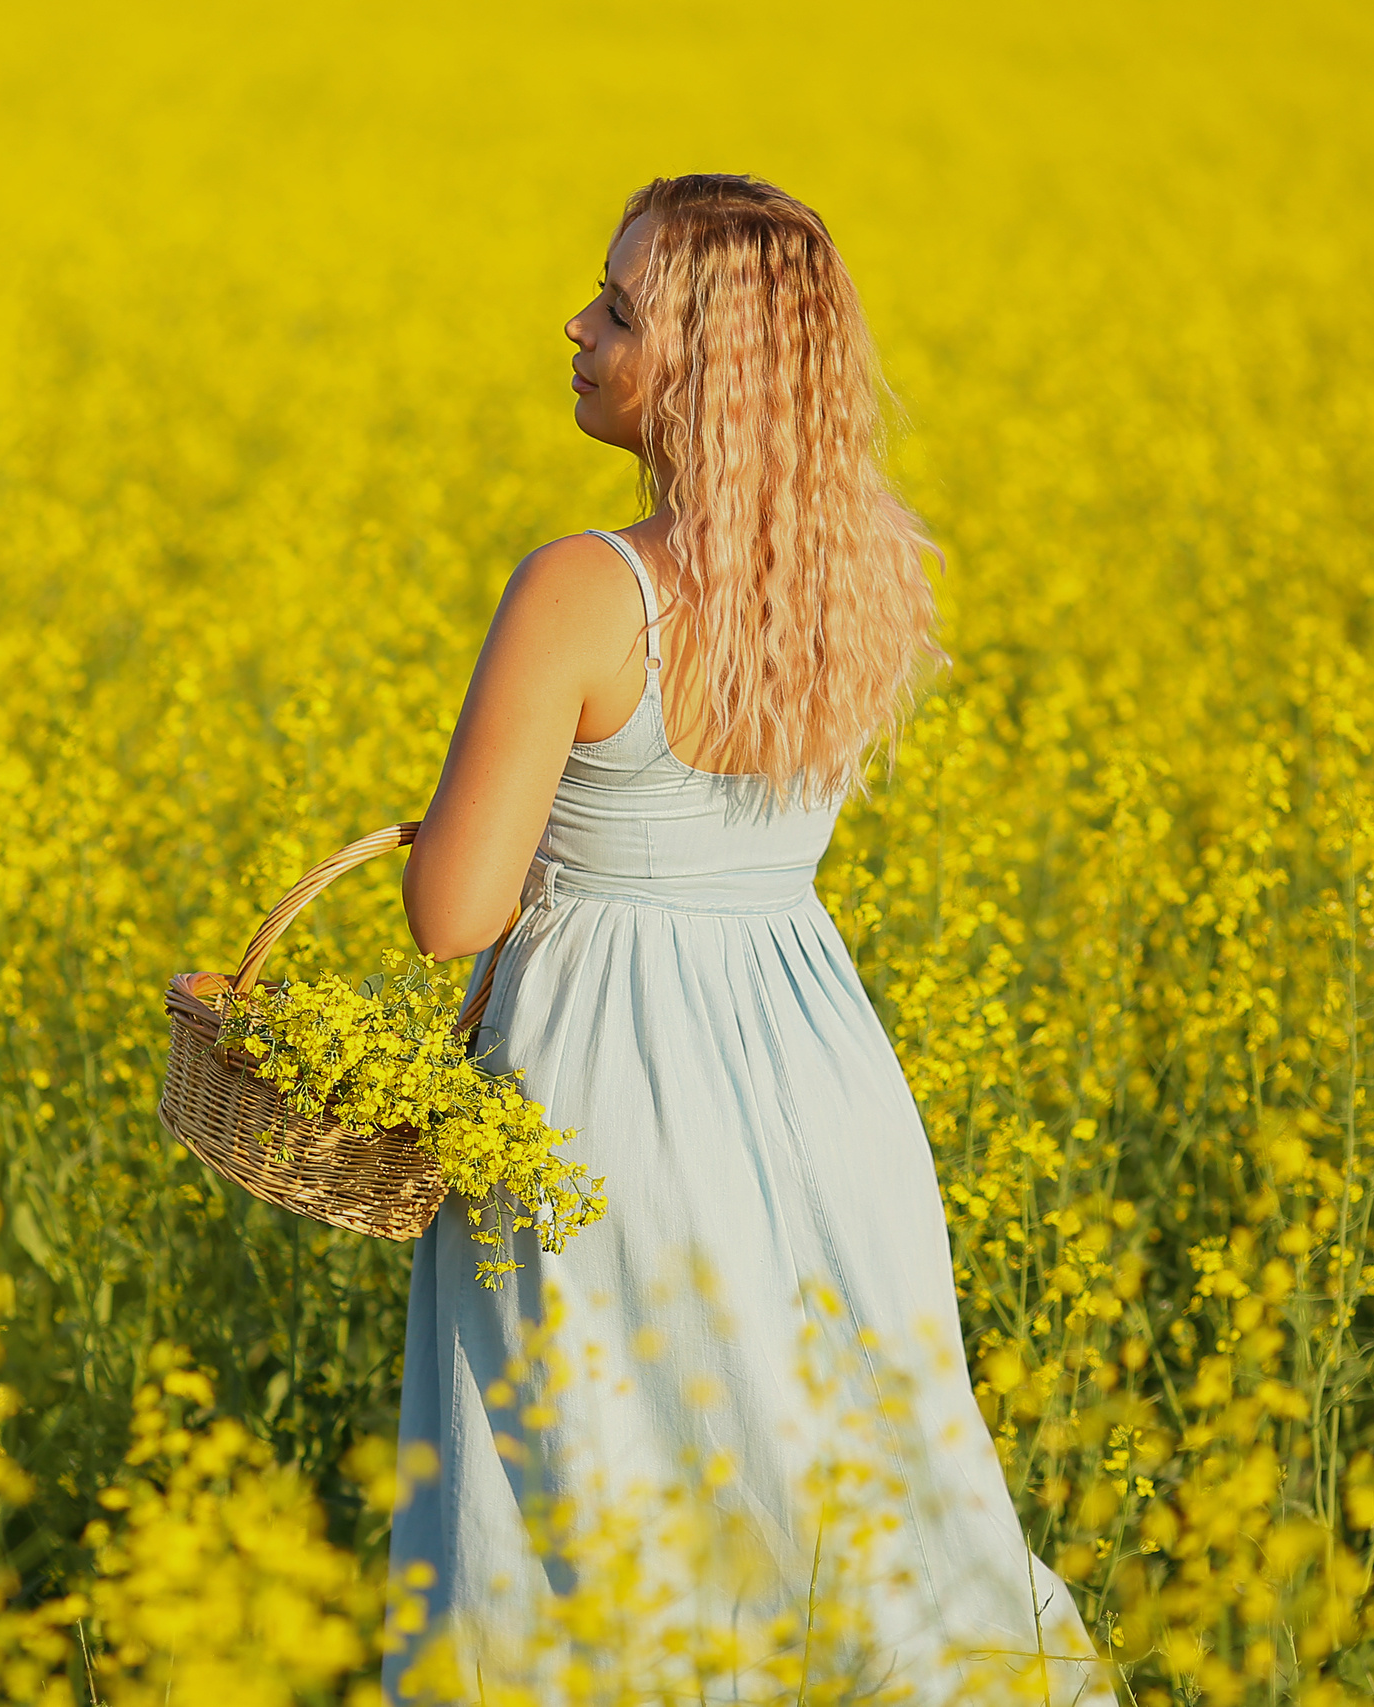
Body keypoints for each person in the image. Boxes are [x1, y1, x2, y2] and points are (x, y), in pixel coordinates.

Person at [390, 174, 1113, 1705]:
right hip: (815, 1068)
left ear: (700, 364)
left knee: (593, 1492)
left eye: (620, 309)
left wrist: (452, 814)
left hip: (597, 1094)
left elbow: (455, 910)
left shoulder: (586, 587)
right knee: (844, 1480)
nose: (576, 327)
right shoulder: (863, 579)